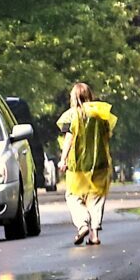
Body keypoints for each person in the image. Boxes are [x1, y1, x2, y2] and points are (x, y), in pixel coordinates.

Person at [57, 81, 118, 246]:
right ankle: (94, 234)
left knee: (74, 196)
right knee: (96, 197)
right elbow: (107, 135)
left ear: (74, 97)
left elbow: (68, 139)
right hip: (100, 163)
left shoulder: (71, 116)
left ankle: (83, 224)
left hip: (78, 166)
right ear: (89, 96)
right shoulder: (101, 114)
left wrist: (63, 160)